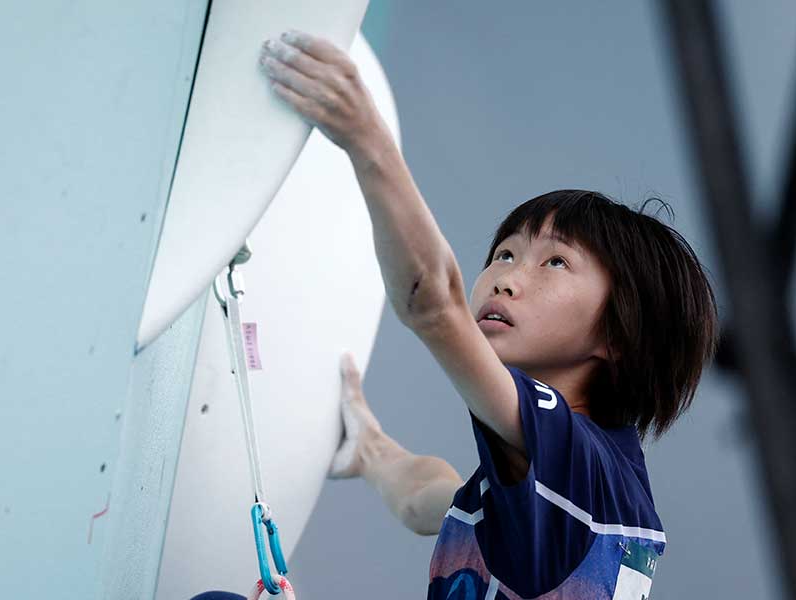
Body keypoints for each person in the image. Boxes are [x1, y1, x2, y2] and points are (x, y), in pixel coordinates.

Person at [258, 30, 719, 599]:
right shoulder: (591, 477)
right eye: (504, 253)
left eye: (554, 262)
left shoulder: (572, 460)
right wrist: (372, 451)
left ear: (618, 335)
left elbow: (434, 304)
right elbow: (434, 499)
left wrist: (364, 136)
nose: (506, 276)